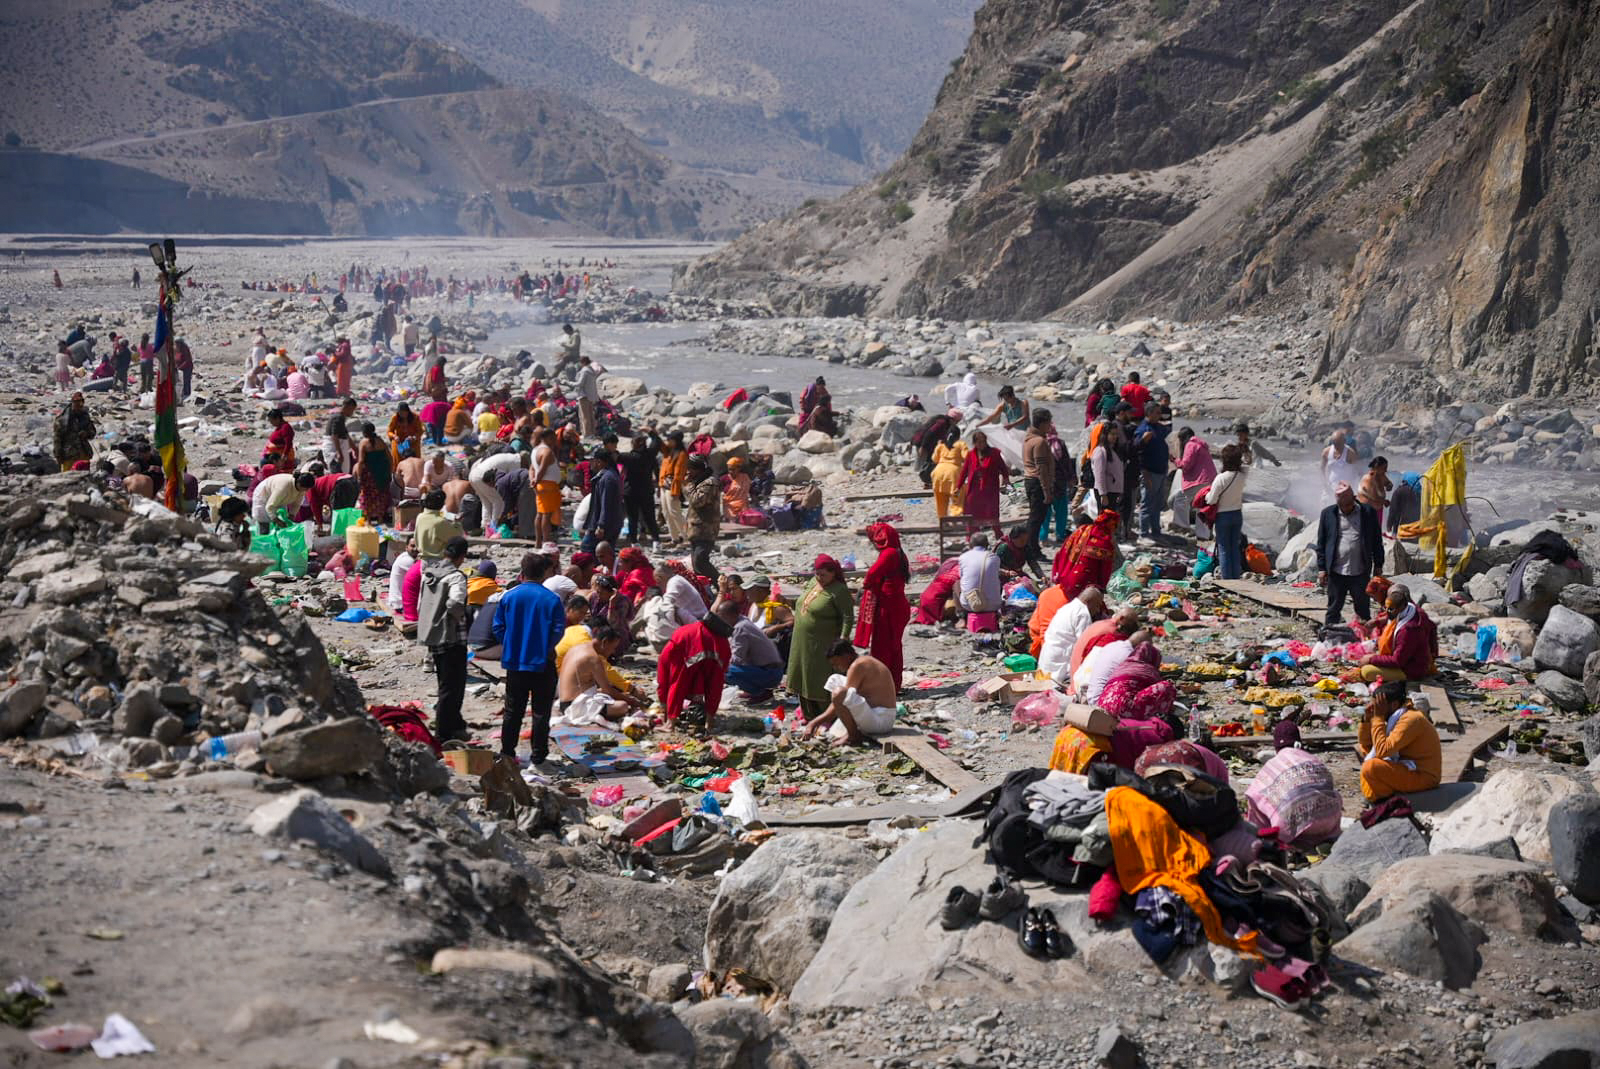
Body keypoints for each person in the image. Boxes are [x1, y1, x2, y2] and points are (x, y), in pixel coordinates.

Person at [494, 552, 565, 767]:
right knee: (541, 711)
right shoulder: (552, 599)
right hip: (542, 663)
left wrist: (512, 644)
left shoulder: (509, 596)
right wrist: (544, 647)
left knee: (513, 710)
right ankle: (538, 756)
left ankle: (507, 752)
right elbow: (558, 630)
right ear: (544, 572)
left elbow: (498, 627)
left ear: (522, 572)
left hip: (515, 662)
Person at [416, 535, 472, 744]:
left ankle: (456, 725)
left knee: (445, 682)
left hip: (433, 635)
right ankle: (443, 734)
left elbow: (423, 604)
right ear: (462, 556)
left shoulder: (430, 573)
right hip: (452, 637)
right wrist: (459, 616)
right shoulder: (456, 577)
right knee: (453, 686)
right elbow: (455, 604)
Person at [787, 555, 855, 718]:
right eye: (817, 574)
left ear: (833, 573)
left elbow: (848, 616)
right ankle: (808, 714)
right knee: (802, 671)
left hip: (822, 642)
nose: (819, 578)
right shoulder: (813, 583)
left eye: (823, 575)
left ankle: (826, 715)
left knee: (818, 675)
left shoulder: (839, 590)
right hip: (802, 641)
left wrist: (844, 637)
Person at [1356, 680, 1442, 801]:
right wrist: (1366, 720)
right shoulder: (1395, 717)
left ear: (1394, 705)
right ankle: (1378, 794)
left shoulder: (1411, 719)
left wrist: (1378, 718)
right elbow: (1366, 743)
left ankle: (1382, 799)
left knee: (1371, 767)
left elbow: (1383, 751)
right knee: (1364, 749)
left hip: (1423, 776)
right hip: (1404, 765)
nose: (1376, 709)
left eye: (1379, 705)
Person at [1315, 481, 1383, 629]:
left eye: (1347, 505)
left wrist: (1378, 564)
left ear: (1353, 498)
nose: (1345, 509)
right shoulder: (1328, 514)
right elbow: (1321, 543)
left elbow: (1377, 540)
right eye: (1342, 506)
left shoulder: (1367, 513)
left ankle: (1365, 640)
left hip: (1360, 570)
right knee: (1333, 608)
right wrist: (1322, 568)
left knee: (1363, 608)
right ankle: (1329, 637)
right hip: (1336, 570)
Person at [804, 640, 898, 746]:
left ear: (846, 656)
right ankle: (851, 730)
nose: (836, 667)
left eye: (836, 663)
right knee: (835, 679)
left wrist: (814, 722)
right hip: (880, 716)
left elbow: (841, 698)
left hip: (880, 721)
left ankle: (853, 736)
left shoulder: (858, 665)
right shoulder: (862, 661)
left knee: (839, 693)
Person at [853, 523, 911, 692]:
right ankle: (894, 684)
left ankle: (882, 686)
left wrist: (866, 586)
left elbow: (871, 574)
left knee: (882, 647)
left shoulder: (889, 553)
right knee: (894, 647)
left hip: (888, 607)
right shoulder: (899, 552)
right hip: (898, 606)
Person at [657, 604, 734, 727]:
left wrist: (665, 710)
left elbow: (666, 683)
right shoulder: (722, 640)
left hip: (688, 647)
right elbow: (716, 684)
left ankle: (670, 723)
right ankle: (709, 721)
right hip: (719, 650)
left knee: (678, 682)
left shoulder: (677, 640)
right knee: (714, 683)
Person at [557, 623, 643, 724]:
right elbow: (608, 690)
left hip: (564, 701)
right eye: (613, 648)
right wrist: (631, 701)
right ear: (604, 642)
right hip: (573, 707)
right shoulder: (593, 658)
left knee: (608, 694)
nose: (613, 652)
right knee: (622, 706)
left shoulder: (577, 648)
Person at [1353, 585, 1438, 682]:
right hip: (1406, 660)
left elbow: (1398, 661)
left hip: (1411, 669)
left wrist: (1371, 659)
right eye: (1386, 608)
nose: (1387, 612)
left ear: (1402, 606)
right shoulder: (1407, 611)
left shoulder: (1409, 629)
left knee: (1367, 672)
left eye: (1391, 609)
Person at [1037, 586, 1106, 682]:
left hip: (1048, 660)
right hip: (1059, 666)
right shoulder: (1082, 614)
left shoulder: (1068, 607)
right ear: (1088, 602)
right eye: (1097, 605)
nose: (1098, 610)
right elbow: (1085, 644)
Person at [1051, 508, 1120, 599]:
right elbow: (1105, 569)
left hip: (1066, 577)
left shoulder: (1083, 529)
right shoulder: (1104, 541)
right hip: (1084, 584)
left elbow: (1063, 551)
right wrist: (1102, 586)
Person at [728, 601, 787, 701]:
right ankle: (756, 690)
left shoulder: (740, 628)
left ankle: (759, 693)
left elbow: (737, 659)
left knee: (724, 671)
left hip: (770, 673)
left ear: (730, 616)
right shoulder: (743, 621)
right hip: (771, 670)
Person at [1020, 408, 1055, 570]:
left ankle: (1031, 548)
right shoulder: (1039, 442)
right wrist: (1047, 490)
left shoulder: (1029, 439)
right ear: (1042, 423)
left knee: (1035, 517)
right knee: (1036, 519)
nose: (1050, 426)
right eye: (1049, 422)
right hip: (1037, 483)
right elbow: (1041, 468)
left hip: (1030, 480)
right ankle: (1032, 550)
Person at [956, 430, 1009, 536]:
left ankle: (998, 534)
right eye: (978, 442)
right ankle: (973, 535)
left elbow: (1003, 467)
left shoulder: (994, 453)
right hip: (975, 489)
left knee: (992, 513)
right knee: (971, 511)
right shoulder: (971, 455)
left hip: (990, 490)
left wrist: (1005, 478)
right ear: (974, 443)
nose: (981, 444)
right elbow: (964, 471)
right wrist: (958, 486)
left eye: (983, 441)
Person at [1208, 444, 1247, 579]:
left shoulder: (1221, 478)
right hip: (1237, 514)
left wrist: (1206, 495)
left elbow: (1211, 500)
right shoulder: (1242, 476)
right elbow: (1247, 464)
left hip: (1223, 515)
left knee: (1223, 548)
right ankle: (1235, 577)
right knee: (1234, 548)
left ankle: (1227, 580)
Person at [1132, 402, 1170, 540]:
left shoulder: (1158, 427)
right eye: (1157, 413)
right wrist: (1144, 472)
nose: (1160, 415)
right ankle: (1144, 533)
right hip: (1150, 472)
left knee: (1157, 503)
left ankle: (1156, 531)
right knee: (1147, 503)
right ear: (1149, 413)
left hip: (1161, 470)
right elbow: (1137, 450)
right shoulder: (1143, 429)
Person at [1171, 427, 1216, 538]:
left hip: (1199, 480)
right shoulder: (1200, 445)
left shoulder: (1190, 445)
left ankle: (1183, 526)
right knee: (1203, 507)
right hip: (1210, 479)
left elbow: (1186, 465)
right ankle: (1204, 535)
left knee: (1180, 499)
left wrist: (1175, 460)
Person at [1038, 419, 1076, 546]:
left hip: (1046, 483)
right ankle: (1060, 535)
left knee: (1046, 512)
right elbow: (1067, 463)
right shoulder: (1060, 444)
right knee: (1061, 511)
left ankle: (1043, 537)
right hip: (1059, 483)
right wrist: (1071, 478)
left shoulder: (1040, 443)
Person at [470, 450, 526, 534]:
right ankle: (494, 527)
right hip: (483, 475)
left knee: (486, 502)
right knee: (498, 501)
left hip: (472, 474)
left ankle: (485, 526)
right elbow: (513, 482)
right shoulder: (516, 462)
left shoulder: (509, 456)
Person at [684, 454, 721, 581]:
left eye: (691, 469)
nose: (688, 472)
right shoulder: (698, 482)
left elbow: (697, 501)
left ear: (699, 469)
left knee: (701, 561)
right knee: (696, 564)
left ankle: (722, 585)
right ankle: (707, 590)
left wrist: (688, 485)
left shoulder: (710, 483)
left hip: (706, 530)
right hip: (696, 529)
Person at [619, 433, 660, 545]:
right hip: (646, 491)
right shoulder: (650, 455)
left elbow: (614, 457)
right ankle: (656, 542)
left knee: (633, 518)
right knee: (650, 518)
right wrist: (651, 432)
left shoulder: (628, 457)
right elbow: (657, 442)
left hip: (631, 492)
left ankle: (634, 543)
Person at [957, 533, 1002, 629]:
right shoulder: (994, 557)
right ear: (987, 545)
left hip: (969, 604)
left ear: (970, 545)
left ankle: (962, 618)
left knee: (956, 584)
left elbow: (961, 577)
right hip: (993, 605)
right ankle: (996, 616)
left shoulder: (963, 557)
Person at [355, 422, 394, 524]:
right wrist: (389, 471)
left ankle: (368, 520)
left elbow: (361, 461)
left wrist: (359, 476)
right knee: (381, 495)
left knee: (368, 496)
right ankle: (380, 518)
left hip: (369, 474)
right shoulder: (380, 441)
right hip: (382, 472)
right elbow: (390, 457)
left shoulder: (363, 443)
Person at [929, 426, 967, 519]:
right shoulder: (961, 444)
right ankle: (955, 517)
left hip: (938, 473)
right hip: (953, 473)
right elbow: (966, 457)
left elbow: (934, 459)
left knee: (940, 499)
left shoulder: (941, 445)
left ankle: (942, 520)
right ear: (958, 436)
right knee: (957, 498)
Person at [913, 411, 958, 488]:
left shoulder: (943, 422)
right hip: (924, 443)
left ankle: (929, 482)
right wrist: (923, 447)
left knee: (929, 463)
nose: (956, 423)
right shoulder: (942, 423)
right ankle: (928, 482)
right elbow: (929, 434)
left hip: (927, 444)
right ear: (952, 419)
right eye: (956, 421)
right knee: (928, 464)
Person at [415, 489, 463, 559]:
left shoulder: (420, 517)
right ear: (442, 504)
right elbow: (457, 536)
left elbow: (439, 515)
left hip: (423, 561)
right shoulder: (440, 522)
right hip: (437, 562)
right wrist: (457, 523)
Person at [53, 393, 96, 471]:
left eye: (81, 402)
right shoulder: (62, 420)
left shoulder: (85, 416)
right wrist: (58, 456)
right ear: (72, 403)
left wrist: (86, 433)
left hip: (83, 452)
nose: (79, 405)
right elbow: (57, 439)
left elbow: (92, 432)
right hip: (69, 454)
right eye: (76, 402)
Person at [1320, 428, 1361, 503]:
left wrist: (1356, 488)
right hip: (1331, 486)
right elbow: (1322, 468)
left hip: (1345, 488)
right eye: (1335, 443)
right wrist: (1324, 482)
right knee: (1325, 504)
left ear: (1344, 442)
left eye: (1339, 443)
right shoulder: (1327, 451)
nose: (1336, 446)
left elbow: (1356, 471)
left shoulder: (1350, 453)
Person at [1358, 456, 1393, 530]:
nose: (1386, 470)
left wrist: (1389, 486)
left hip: (1378, 509)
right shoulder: (1368, 478)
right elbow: (1372, 496)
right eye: (1384, 468)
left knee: (1377, 530)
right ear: (1377, 467)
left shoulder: (1382, 476)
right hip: (1368, 511)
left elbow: (1388, 483)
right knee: (1369, 531)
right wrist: (1384, 501)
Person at [323, 397, 357, 474]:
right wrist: (339, 452)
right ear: (347, 407)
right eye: (352, 410)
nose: (352, 413)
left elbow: (346, 434)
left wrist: (354, 448)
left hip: (337, 448)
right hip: (333, 449)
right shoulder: (338, 418)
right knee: (337, 472)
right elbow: (334, 436)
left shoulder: (341, 418)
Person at [575, 356, 603, 439]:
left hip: (583, 396)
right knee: (590, 415)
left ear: (582, 362)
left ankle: (586, 434)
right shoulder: (592, 370)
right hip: (590, 396)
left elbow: (580, 384)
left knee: (584, 416)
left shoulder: (584, 371)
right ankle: (592, 432)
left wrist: (568, 383)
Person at [388, 403, 424, 468]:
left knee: (415, 459)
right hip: (399, 441)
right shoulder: (395, 418)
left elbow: (420, 430)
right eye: (400, 413)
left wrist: (414, 437)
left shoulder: (415, 417)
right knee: (397, 457)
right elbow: (389, 431)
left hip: (412, 441)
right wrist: (394, 436)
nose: (402, 415)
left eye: (404, 413)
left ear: (408, 411)